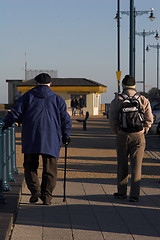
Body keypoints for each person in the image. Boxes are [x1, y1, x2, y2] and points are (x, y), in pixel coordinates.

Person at [3, 73, 71, 205]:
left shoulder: (27, 97)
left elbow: (14, 114)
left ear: (36, 83)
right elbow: (66, 120)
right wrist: (66, 135)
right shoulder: (58, 100)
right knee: (50, 168)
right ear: (50, 84)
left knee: (30, 165)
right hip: (52, 138)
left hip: (31, 136)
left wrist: (4, 125)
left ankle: (35, 190)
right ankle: (47, 196)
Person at [109, 75, 153, 202]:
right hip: (138, 136)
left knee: (122, 165)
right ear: (134, 85)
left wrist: (117, 131)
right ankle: (134, 195)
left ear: (123, 85)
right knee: (136, 166)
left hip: (122, 135)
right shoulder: (143, 99)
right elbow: (149, 118)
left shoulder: (117, 99)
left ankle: (121, 192)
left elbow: (112, 120)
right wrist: (144, 129)